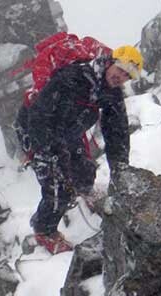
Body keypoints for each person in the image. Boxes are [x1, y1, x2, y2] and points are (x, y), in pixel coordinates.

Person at [14, 44, 143, 253]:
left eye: (128, 75)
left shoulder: (112, 94)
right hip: (36, 129)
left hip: (67, 132)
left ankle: (82, 191)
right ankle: (44, 230)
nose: (121, 77)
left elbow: (116, 133)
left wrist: (121, 170)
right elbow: (39, 112)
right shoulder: (74, 76)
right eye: (121, 68)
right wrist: (43, 151)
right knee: (59, 188)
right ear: (111, 62)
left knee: (84, 172)